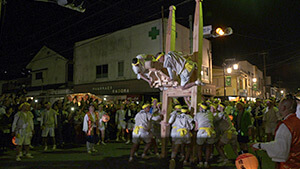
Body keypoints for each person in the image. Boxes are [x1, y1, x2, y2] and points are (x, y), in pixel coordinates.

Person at [252, 94, 300, 169]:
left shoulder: (286, 126)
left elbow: (280, 150)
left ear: (284, 108)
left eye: (279, 106)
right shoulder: (297, 122)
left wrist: (259, 146)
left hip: (289, 165)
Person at [194, 103, 215, 168]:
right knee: (208, 147)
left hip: (202, 131)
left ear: (201, 108)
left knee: (199, 147)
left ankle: (200, 162)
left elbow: (196, 127)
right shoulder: (210, 114)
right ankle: (206, 162)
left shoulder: (197, 114)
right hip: (210, 131)